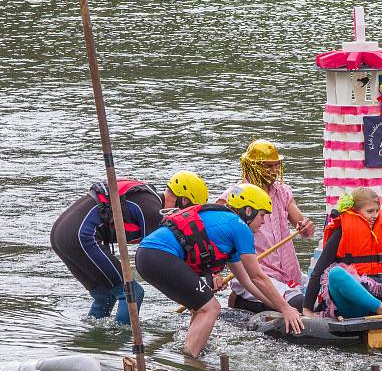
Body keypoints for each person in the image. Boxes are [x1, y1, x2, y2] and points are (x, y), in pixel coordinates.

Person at [136, 183, 304, 357]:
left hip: (147, 256)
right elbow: (258, 276)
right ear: (248, 211)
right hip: (157, 255)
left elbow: (247, 281)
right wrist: (285, 308)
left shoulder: (228, 227)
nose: (263, 221)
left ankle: (190, 352)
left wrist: (276, 306)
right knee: (211, 308)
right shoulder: (240, 227)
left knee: (200, 307)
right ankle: (191, 362)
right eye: (262, 215)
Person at [51, 171, 208, 324]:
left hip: (60, 235)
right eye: (188, 213)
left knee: (104, 295)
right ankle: (121, 342)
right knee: (132, 293)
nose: (187, 218)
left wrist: (205, 278)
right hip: (81, 236)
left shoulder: (147, 197)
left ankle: (96, 344)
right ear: (184, 202)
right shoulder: (152, 210)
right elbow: (160, 262)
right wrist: (194, 294)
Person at [218, 139, 315, 313]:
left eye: (276, 166)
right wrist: (215, 273)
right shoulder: (233, 197)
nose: (274, 171)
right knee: (300, 303)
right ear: (252, 166)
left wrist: (306, 226)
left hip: (288, 271)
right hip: (256, 275)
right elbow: (216, 237)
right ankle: (242, 301)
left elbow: (303, 227)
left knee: (319, 294)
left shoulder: (282, 192)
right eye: (268, 167)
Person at [303, 188, 382, 319]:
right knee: (335, 273)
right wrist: (307, 308)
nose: (375, 215)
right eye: (369, 211)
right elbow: (318, 271)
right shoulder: (341, 231)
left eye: (377, 211)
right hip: (354, 303)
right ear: (355, 211)